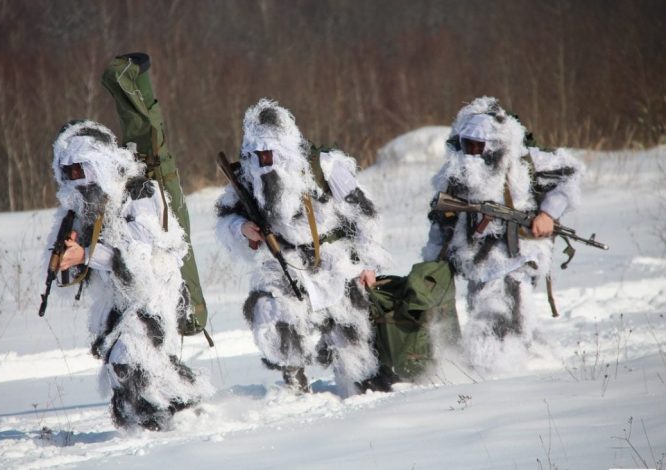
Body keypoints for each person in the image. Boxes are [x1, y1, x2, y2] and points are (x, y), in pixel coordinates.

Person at [215, 99, 393, 395]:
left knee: (348, 337)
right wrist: (241, 228)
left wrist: (368, 264)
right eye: (255, 154)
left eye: (268, 154)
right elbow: (226, 219)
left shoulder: (325, 168)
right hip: (283, 261)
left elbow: (366, 215)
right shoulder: (247, 176)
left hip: (335, 261)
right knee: (269, 310)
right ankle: (293, 382)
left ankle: (359, 394)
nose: (262, 163)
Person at [49, 120, 211, 430]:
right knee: (130, 369)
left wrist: (85, 254)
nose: (75, 182)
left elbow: (139, 259)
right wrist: (64, 262)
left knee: (129, 359)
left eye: (80, 171)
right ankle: (177, 415)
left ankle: (158, 427)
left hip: (156, 293)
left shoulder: (141, 193)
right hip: (115, 301)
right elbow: (68, 274)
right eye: (67, 174)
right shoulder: (79, 207)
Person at [421, 96, 583, 370]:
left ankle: (498, 377)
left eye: (478, 146)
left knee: (496, 319)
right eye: (466, 144)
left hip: (515, 257)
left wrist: (547, 214)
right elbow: (441, 221)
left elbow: (571, 173)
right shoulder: (455, 172)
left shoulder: (523, 162)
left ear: (494, 144)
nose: (472, 152)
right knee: (495, 316)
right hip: (476, 264)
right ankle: (533, 364)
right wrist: (432, 263)